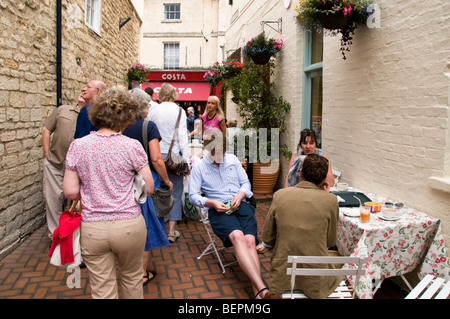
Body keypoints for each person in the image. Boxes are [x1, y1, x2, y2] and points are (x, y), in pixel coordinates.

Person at [63, 87, 154, 299]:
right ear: (126, 116)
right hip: (129, 224)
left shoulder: (78, 146)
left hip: (93, 227)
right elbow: (149, 188)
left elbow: (70, 191)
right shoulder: (132, 146)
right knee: (132, 278)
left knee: (102, 288)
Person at [189, 129, 278, 299]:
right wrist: (211, 203)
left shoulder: (232, 160)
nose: (219, 155)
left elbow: (246, 184)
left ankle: (258, 292)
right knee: (238, 236)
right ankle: (262, 289)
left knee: (250, 241)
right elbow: (193, 196)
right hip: (219, 209)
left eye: (222, 151)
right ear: (208, 150)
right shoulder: (200, 167)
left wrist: (240, 195)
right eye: (215, 151)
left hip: (240, 204)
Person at [262, 153, 340, 299]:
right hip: (315, 278)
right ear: (324, 179)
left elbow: (267, 237)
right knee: (337, 261)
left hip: (283, 274)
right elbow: (330, 242)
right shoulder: (331, 200)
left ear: (301, 172)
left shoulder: (280, 195)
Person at [256, 128, 335, 254]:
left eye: (311, 143)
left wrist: (322, 167)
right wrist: (287, 193)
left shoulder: (322, 158)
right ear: (301, 144)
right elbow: (289, 176)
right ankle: (269, 241)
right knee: (279, 206)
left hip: (314, 195)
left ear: (316, 144)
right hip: (296, 191)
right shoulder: (296, 155)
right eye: (305, 143)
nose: (308, 146)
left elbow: (331, 182)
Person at [123, 88, 172, 286]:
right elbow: (156, 158)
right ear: (143, 107)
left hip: (124, 181)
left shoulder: (120, 126)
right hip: (145, 181)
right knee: (146, 226)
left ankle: (130, 268)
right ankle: (142, 273)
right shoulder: (148, 126)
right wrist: (166, 180)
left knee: (128, 223)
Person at [147, 83, 190, 243]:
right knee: (176, 192)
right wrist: (186, 161)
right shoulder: (179, 111)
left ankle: (158, 227)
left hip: (155, 154)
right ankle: (171, 231)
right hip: (174, 157)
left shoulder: (153, 110)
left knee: (156, 191)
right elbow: (183, 138)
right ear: (174, 95)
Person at [43, 90, 86, 238]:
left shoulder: (92, 116)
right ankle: (55, 235)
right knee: (52, 199)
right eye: (82, 89)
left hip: (77, 168)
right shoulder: (63, 110)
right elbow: (47, 130)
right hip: (55, 163)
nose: (83, 91)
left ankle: (72, 234)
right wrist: (47, 154)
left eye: (88, 89)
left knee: (75, 200)